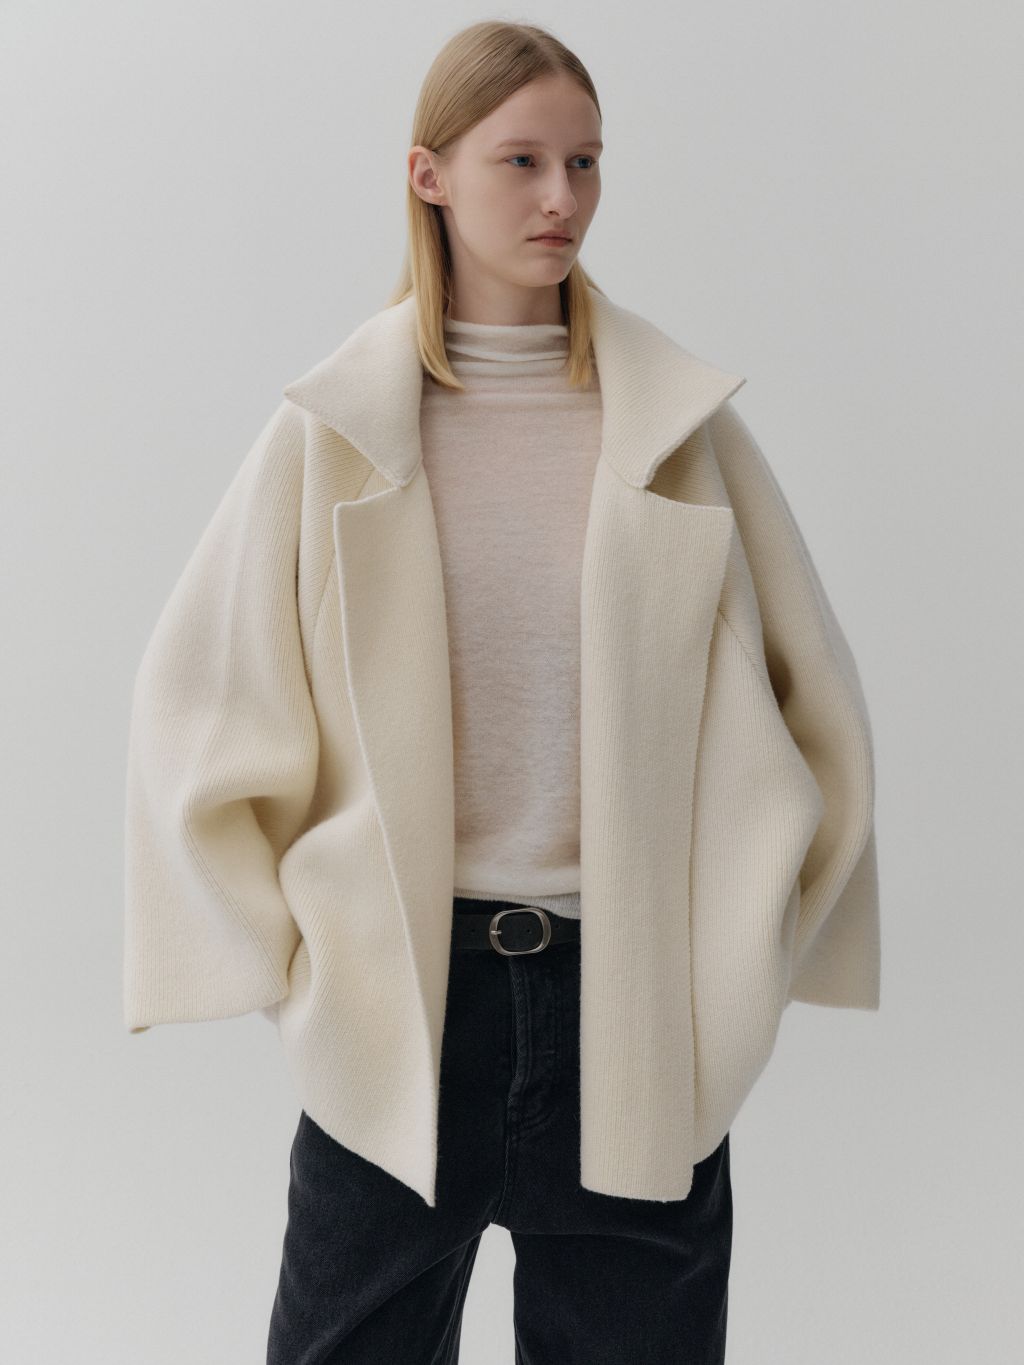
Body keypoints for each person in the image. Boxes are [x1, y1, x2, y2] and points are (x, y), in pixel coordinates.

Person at [123, 19, 881, 1365]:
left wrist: (745, 957)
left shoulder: (677, 428)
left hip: (633, 1010)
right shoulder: (334, 434)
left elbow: (814, 714)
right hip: (403, 1006)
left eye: (584, 162)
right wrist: (305, 973)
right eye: (520, 160)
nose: (560, 198)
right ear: (429, 174)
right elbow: (202, 705)